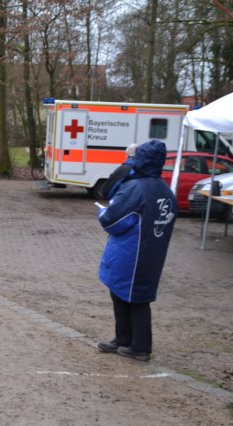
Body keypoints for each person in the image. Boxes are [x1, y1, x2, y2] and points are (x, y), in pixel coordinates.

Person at [96, 140, 177, 362]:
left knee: (134, 298)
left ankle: (140, 346)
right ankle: (123, 339)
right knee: (126, 294)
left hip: (131, 252)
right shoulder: (166, 190)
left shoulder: (136, 188)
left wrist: (102, 213)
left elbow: (112, 220)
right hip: (153, 252)